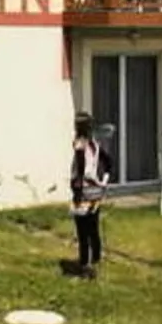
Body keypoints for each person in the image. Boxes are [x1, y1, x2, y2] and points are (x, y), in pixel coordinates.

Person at [69, 112, 111, 279]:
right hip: (96, 192)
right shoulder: (95, 144)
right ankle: (96, 259)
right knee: (93, 228)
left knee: (82, 231)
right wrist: (103, 181)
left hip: (84, 191)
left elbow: (80, 170)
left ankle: (84, 265)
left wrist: (77, 191)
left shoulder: (80, 144)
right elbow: (108, 163)